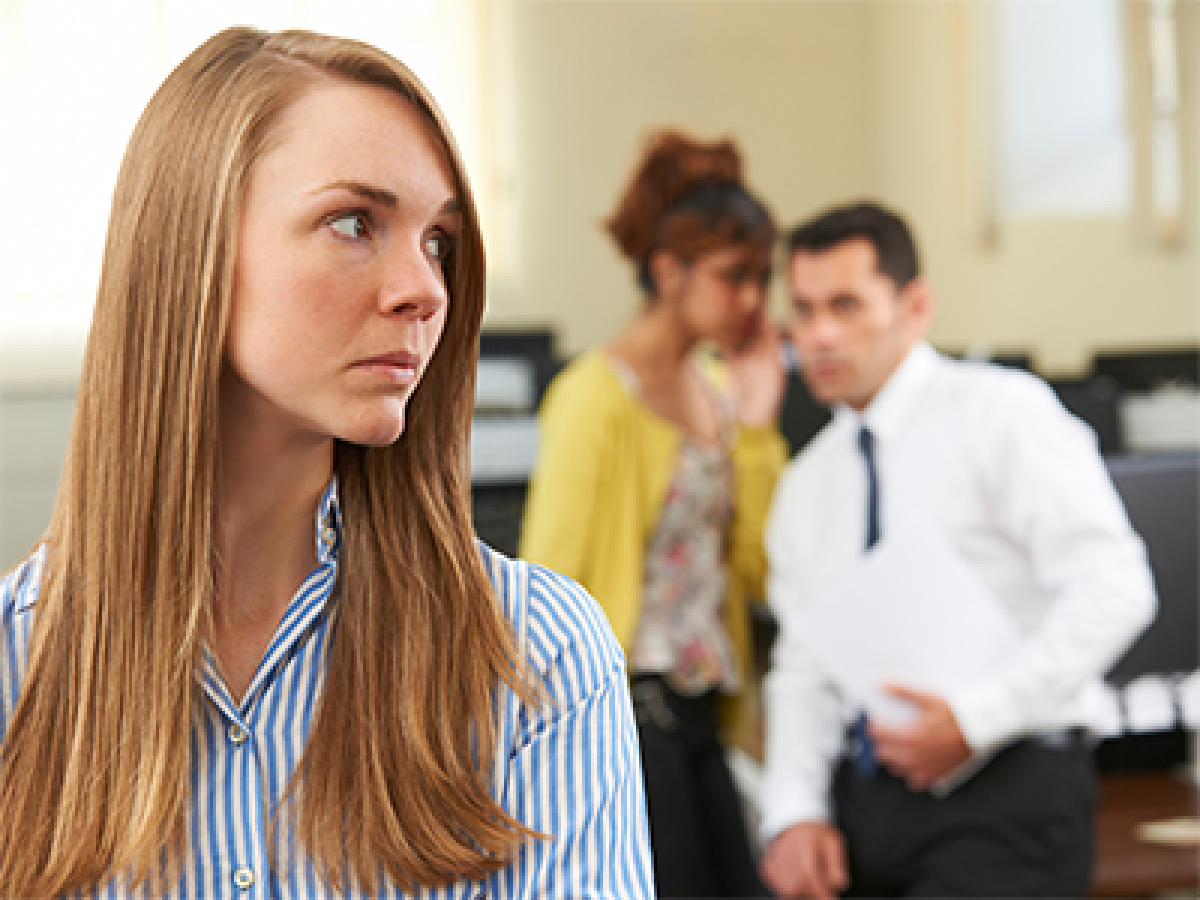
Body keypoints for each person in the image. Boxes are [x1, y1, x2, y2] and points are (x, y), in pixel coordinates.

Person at [0, 27, 654, 898]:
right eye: (355, 222)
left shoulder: (536, 659)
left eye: (439, 242)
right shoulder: (17, 669)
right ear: (190, 248)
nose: (426, 290)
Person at [758, 200, 1157, 900]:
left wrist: (978, 719)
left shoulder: (1001, 413)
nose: (818, 334)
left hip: (1011, 786)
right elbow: (803, 666)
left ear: (915, 306)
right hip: (867, 798)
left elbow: (1116, 587)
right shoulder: (806, 484)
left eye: (846, 305)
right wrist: (795, 812)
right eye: (805, 308)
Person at [520, 129, 788, 900]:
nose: (751, 302)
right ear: (669, 272)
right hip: (627, 710)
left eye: (759, 279)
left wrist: (761, 430)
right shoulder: (594, 397)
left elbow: (762, 565)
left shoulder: (721, 392)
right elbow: (549, 580)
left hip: (706, 707)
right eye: (735, 277)